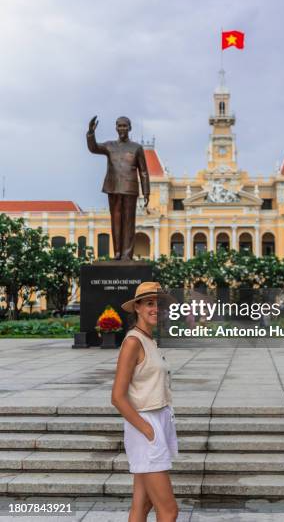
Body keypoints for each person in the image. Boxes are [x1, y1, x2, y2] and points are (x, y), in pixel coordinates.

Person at [111, 282, 178, 522]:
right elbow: (117, 397)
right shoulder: (133, 343)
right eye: (149, 303)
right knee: (169, 510)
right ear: (137, 307)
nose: (155, 308)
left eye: (159, 304)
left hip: (158, 420)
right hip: (146, 423)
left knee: (143, 503)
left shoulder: (149, 340)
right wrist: (147, 430)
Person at [87, 115, 150, 260]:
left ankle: (127, 254)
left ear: (130, 128)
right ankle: (117, 252)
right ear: (116, 128)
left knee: (129, 221)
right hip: (113, 187)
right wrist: (91, 133)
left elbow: (144, 171)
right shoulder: (110, 146)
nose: (122, 128)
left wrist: (146, 192)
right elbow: (93, 148)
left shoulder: (137, 148)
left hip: (130, 188)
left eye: (125, 126)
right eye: (119, 126)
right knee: (115, 220)